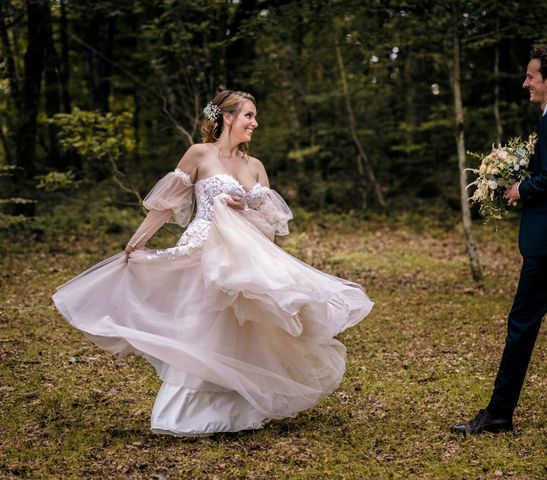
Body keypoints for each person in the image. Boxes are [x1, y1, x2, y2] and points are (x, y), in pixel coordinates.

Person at [53, 90, 373, 436]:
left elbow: (276, 228)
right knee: (202, 326)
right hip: (204, 249)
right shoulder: (199, 154)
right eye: (249, 115)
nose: (255, 122)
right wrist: (138, 239)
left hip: (244, 255)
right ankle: (189, 413)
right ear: (228, 118)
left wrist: (246, 208)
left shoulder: (255, 166)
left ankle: (242, 408)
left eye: (255, 116)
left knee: (242, 329)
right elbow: (165, 203)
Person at [452, 46, 547, 434]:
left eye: (531, 76)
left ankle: (499, 414)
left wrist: (521, 188)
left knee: (522, 324)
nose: (526, 83)